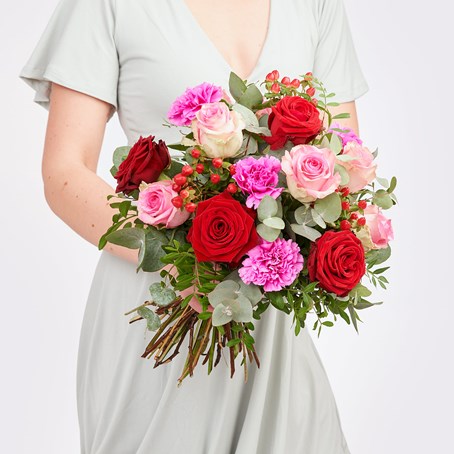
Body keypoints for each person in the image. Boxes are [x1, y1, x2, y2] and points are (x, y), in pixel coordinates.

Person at [20, 0, 369, 452]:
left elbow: (346, 163)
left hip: (273, 315)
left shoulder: (316, 6)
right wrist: (184, 261)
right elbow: (64, 173)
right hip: (159, 302)